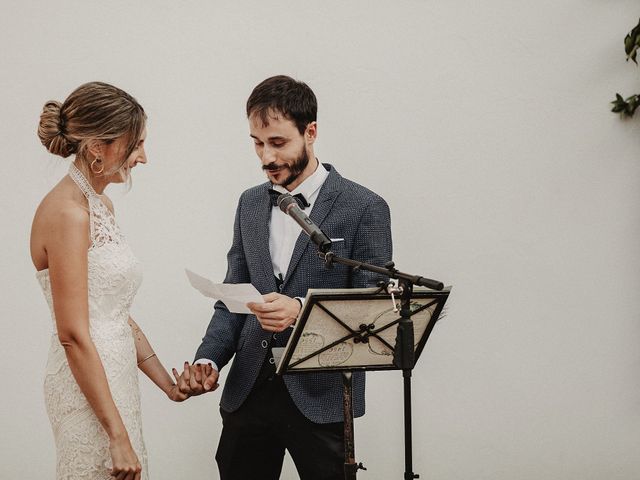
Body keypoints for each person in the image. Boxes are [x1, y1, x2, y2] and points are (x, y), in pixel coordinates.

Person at [177, 75, 393, 479]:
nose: (266, 157)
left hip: (321, 393)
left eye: (278, 142)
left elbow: (376, 310)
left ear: (310, 133)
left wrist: (299, 311)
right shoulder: (249, 203)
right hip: (249, 390)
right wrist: (208, 359)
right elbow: (231, 296)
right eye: (257, 143)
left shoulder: (365, 207)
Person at [32, 82, 203, 480]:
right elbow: (73, 333)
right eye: (135, 144)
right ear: (97, 148)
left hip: (116, 378)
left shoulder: (100, 206)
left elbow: (114, 312)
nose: (143, 157)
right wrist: (116, 434)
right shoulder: (67, 214)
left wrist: (167, 385)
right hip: (86, 391)